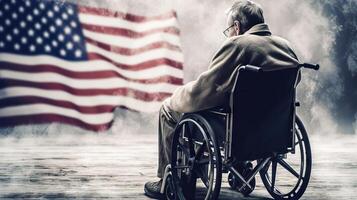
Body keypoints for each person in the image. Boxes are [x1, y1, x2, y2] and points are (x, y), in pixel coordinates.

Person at [144, 0, 299, 198]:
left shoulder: (237, 44)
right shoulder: (285, 46)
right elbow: (293, 83)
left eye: (229, 29)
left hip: (234, 128)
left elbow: (207, 89)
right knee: (243, 106)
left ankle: (169, 180)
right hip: (273, 128)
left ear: (236, 26)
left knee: (168, 109)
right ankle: (242, 168)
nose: (229, 33)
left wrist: (177, 96)